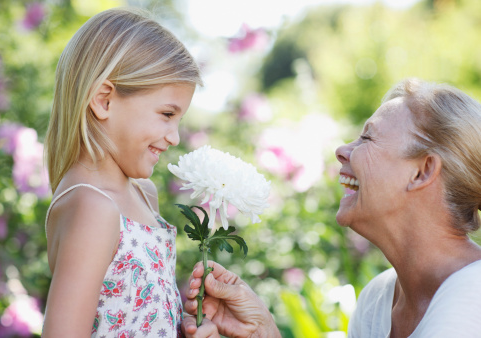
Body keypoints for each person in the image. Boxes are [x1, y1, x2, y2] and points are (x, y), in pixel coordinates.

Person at [182, 78, 481, 338]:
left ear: (422, 172)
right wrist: (262, 332)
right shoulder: (377, 299)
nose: (342, 150)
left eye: (367, 137)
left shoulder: (472, 300)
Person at [41, 7, 220, 337]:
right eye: (167, 114)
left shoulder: (142, 193)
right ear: (104, 100)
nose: (174, 136)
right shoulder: (92, 208)